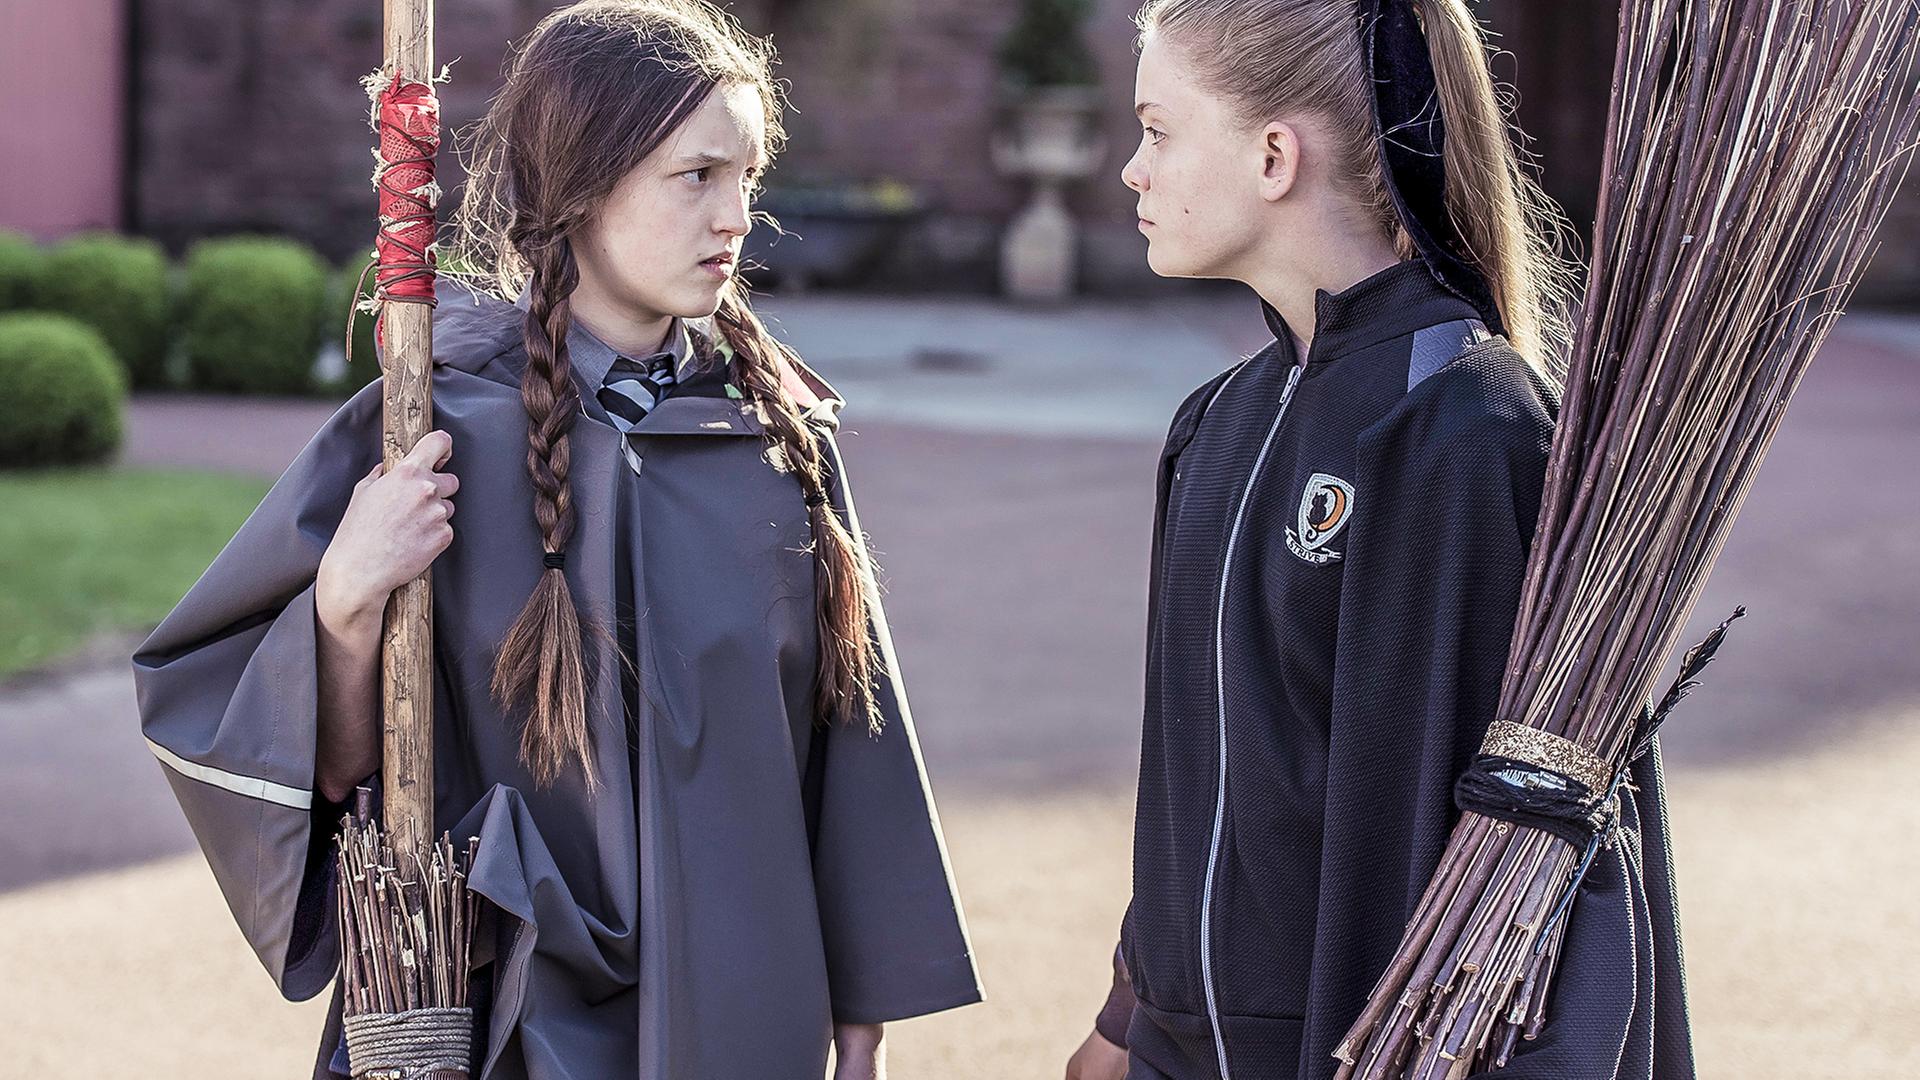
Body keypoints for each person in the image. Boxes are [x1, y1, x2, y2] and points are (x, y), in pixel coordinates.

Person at [132, 3, 980, 1077]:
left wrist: (863, 1029)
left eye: (748, 179)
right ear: (582, 182)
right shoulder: (431, 434)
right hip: (501, 1021)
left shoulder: (774, 448)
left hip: (744, 1005)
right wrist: (345, 597)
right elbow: (335, 766)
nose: (737, 219)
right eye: (696, 177)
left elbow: (852, 755)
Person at [1063, 2, 1690, 1078]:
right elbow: (1197, 768)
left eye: (1159, 129)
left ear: (1273, 156)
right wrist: (1131, 1018)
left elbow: (1513, 854)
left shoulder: (1463, 426)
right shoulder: (1216, 425)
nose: (1132, 168)